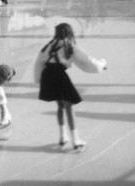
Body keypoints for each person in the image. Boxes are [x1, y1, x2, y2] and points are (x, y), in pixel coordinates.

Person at [34, 23, 107, 152]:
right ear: (69, 33)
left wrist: (39, 80)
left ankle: (63, 136)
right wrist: (101, 65)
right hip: (59, 76)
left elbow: (39, 61)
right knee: (69, 107)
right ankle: (76, 141)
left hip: (48, 76)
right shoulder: (70, 46)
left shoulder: (50, 45)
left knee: (60, 106)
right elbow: (88, 60)